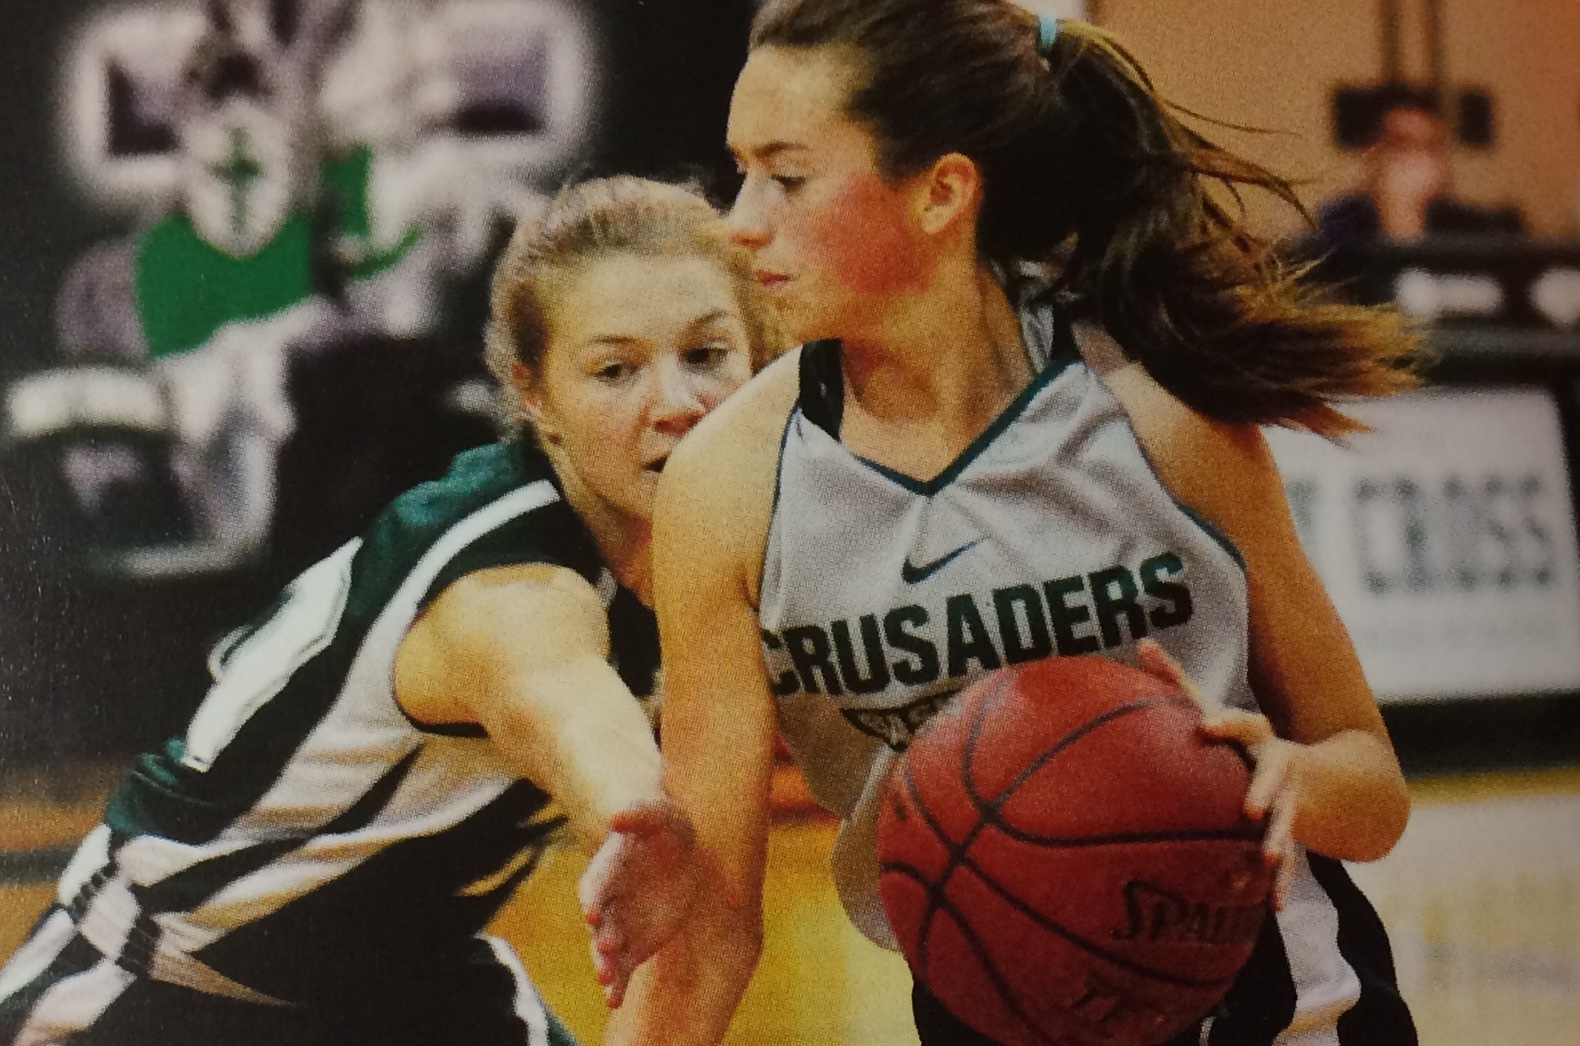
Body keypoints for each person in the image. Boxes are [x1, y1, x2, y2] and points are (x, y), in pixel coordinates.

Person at [582, 4, 1422, 1045]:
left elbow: (1371, 786)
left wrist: (1278, 777)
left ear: (941, 191)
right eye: (739, 170)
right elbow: (707, 930)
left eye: (786, 176)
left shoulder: (1156, 416)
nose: (740, 220)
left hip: (1276, 1008)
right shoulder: (728, 486)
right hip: (989, 1006)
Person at [0, 175, 775, 1046]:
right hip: (172, 984)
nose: (676, 405)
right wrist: (635, 811)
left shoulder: (741, 536)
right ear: (538, 399)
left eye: (707, 355)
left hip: (411, 984)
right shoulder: (505, 582)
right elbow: (559, 697)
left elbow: (713, 938)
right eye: (615, 370)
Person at [1316, 84, 1523, 250]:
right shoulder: (1335, 228)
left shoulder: (1476, 230)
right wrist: (1398, 214)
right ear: (1373, 154)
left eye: (1430, 146)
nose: (1417, 158)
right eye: (1403, 144)